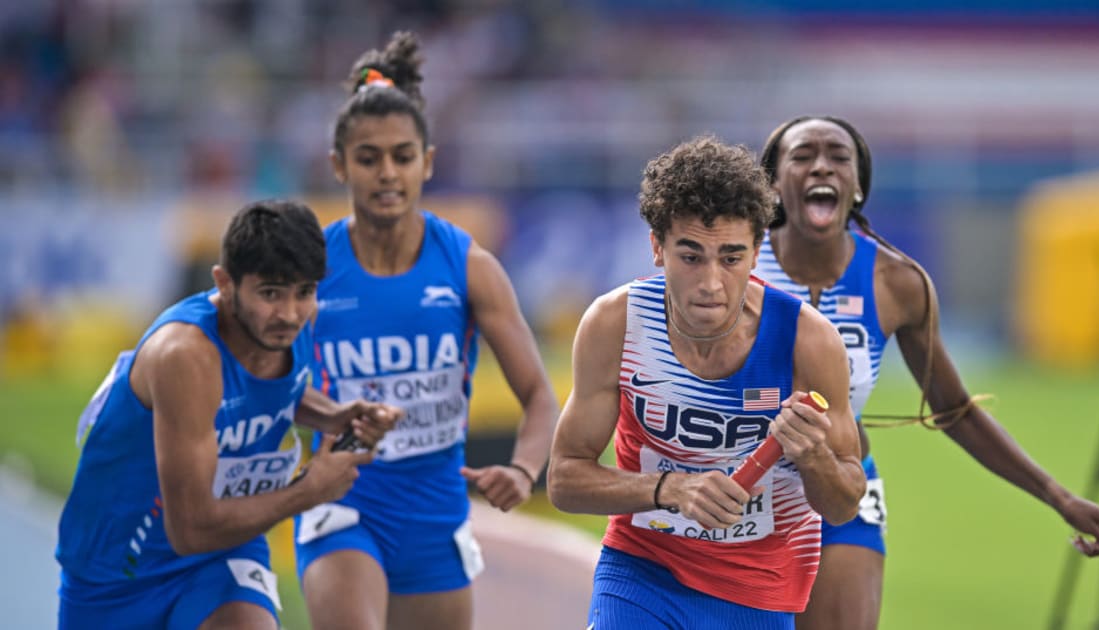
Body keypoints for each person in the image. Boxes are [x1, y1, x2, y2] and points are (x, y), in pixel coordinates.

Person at [755, 115, 1099, 630]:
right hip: (741, 487)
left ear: (858, 185)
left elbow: (955, 412)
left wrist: (1058, 496)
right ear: (773, 182)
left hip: (844, 484)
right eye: (802, 155)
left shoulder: (898, 282)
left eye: (840, 157)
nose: (822, 166)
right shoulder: (735, 265)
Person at [293, 31, 559, 630]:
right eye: (368, 158)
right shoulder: (311, 269)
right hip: (344, 504)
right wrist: (332, 419)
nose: (387, 173)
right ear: (339, 166)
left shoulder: (468, 267)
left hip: (436, 515)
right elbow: (267, 382)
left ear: (428, 162)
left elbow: (540, 396)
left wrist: (521, 469)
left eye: (402, 156)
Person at [548, 135, 866, 630]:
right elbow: (564, 480)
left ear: (758, 252)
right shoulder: (616, 323)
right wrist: (670, 489)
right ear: (657, 247)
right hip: (642, 572)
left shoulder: (808, 341)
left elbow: (844, 505)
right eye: (691, 256)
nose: (711, 284)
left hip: (759, 591)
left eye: (732, 258)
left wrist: (813, 455)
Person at [56, 199, 400, 630]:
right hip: (117, 570)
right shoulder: (184, 356)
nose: (290, 314)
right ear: (225, 283)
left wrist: (333, 415)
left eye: (305, 292)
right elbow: (191, 531)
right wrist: (307, 492)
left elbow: (273, 385)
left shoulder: (289, 325)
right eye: (271, 293)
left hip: (224, 553)